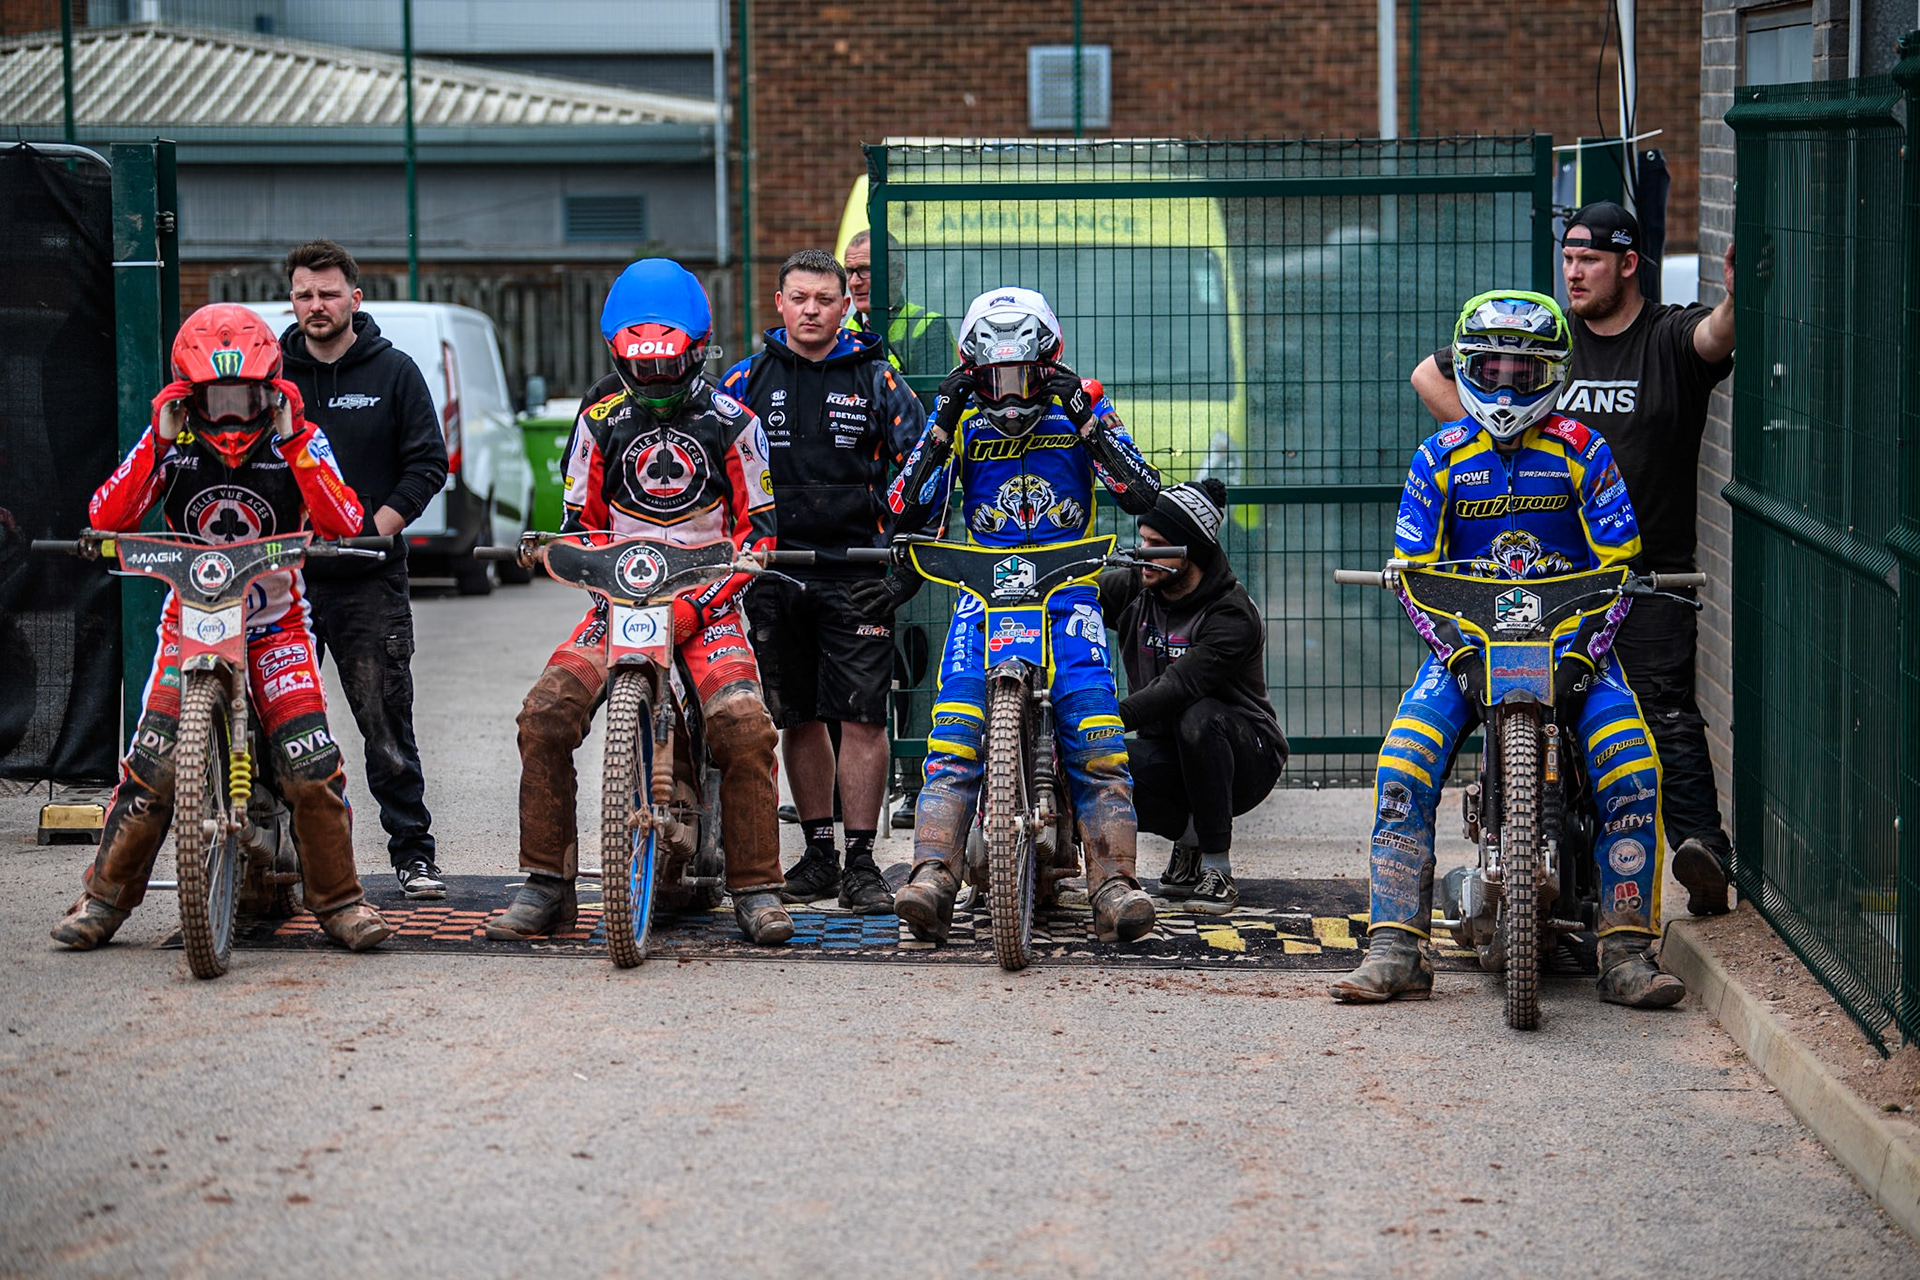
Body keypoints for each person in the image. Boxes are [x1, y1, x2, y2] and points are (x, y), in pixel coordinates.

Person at [1332, 291, 1684, 1008]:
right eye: (1489, 368)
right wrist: (1457, 651)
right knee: (1403, 763)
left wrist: (1585, 655)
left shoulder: (1586, 452)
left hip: (1575, 646)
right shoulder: (1439, 458)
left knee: (1634, 767)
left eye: (1524, 372)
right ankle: (1397, 946)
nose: (1503, 385)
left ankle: (1625, 952)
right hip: (1464, 647)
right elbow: (1410, 576)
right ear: (1464, 367)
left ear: (1551, 373)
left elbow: (1621, 569)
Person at [1409, 202, 1737, 917]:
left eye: (1590, 258)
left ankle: (1702, 853)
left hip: (1642, 571)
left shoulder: (1667, 337)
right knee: (1529, 717)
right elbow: (1430, 374)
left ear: (1630, 263)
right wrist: (1489, 436)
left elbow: (1715, 338)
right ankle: (1542, 869)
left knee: (1660, 712)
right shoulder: (1538, 346)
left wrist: (1740, 300)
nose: (1574, 270)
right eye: (1568, 256)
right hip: (1538, 579)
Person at [50, 304, 391, 952]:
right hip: (192, 623)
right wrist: (155, 440)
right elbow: (105, 513)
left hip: (274, 625)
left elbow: (348, 521)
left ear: (269, 389)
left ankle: (341, 902)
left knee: (311, 762)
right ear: (188, 393)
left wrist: (292, 442)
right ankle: (101, 900)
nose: (232, 413)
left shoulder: (300, 436)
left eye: (245, 397)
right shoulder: (169, 439)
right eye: (216, 398)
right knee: (152, 766)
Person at [485, 259, 794, 947]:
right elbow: (577, 531)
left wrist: (698, 603)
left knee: (744, 726)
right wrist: (571, 565)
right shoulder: (596, 425)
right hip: (616, 600)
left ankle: (757, 888)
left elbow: (760, 534)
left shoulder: (735, 423)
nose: (653, 383)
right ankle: (546, 884)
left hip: (707, 606)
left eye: (666, 368)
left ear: (696, 350)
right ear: (618, 355)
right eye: (639, 368)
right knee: (543, 716)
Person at [852, 287, 1163, 945]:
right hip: (983, 588)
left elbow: (1142, 491)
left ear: (1047, 362)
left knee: (1094, 724)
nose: (1009, 391)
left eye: (1021, 374)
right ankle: (933, 872)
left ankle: (1113, 880)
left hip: (1067, 587)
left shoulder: (1084, 407)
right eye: (992, 377)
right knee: (957, 724)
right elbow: (906, 506)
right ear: (972, 369)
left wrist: (1088, 420)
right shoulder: (963, 416)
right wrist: (940, 420)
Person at [719, 249, 926, 914]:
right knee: (799, 717)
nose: (811, 310)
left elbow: (921, 468)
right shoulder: (745, 380)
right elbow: (709, 466)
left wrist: (904, 564)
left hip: (858, 575)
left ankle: (864, 864)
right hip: (776, 574)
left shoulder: (878, 378)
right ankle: (818, 855)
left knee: (862, 719)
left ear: (845, 306)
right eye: (799, 298)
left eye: (824, 299)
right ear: (778, 305)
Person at [277, 240, 450, 900]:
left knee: (386, 728)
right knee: (278, 727)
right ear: (292, 301)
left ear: (355, 297)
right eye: (304, 294)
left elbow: (427, 465)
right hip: (282, 581)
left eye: (328, 293)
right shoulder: (273, 380)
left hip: (368, 580)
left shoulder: (395, 371)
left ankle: (412, 853)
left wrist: (368, 533)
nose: (316, 306)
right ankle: (277, 859)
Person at [1097, 477, 1288, 914]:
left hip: (1245, 755)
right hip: (1167, 748)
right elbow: (1072, 597)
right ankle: (1189, 839)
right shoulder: (1135, 587)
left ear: (1191, 551)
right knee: (1098, 770)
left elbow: (1179, 686)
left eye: (1157, 543)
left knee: (1196, 716)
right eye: (1141, 539)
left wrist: (1101, 719)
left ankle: (1217, 868)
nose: (1143, 552)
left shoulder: (1230, 612)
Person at [842, 230, 956, 378]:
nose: (854, 282)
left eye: (866, 270)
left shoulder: (929, 326)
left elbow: (933, 396)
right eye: (849, 271)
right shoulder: (843, 329)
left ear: (897, 274)